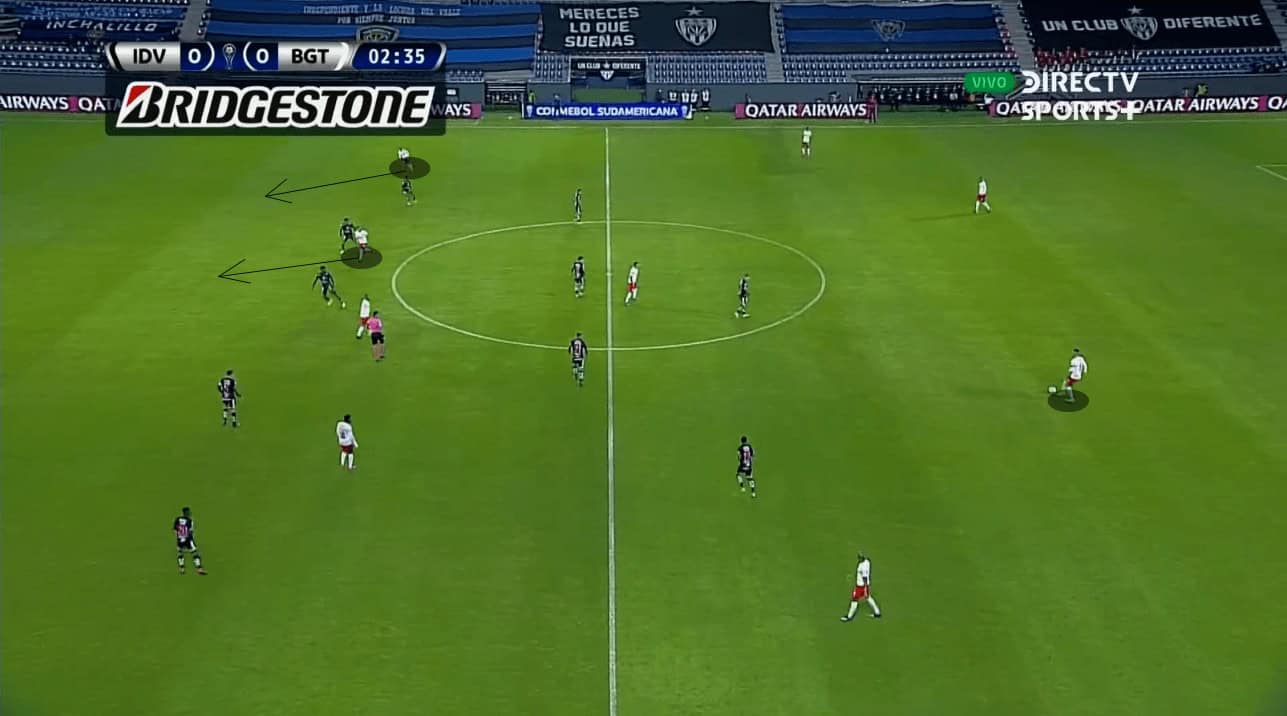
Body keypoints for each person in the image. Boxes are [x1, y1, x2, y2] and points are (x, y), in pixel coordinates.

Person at [841, 553, 882, 621]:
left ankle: (849, 616)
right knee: (868, 597)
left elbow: (864, 577)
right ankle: (877, 612)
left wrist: (865, 587)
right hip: (864, 585)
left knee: (854, 599)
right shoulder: (867, 562)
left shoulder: (863, 567)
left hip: (860, 586)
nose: (858, 559)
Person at [173, 506, 207, 575]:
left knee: (180, 553)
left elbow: (175, 530)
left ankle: (182, 569)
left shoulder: (177, 519)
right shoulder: (189, 520)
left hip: (179, 539)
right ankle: (199, 569)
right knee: (195, 553)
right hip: (188, 539)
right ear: (187, 513)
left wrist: (179, 536)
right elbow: (191, 531)